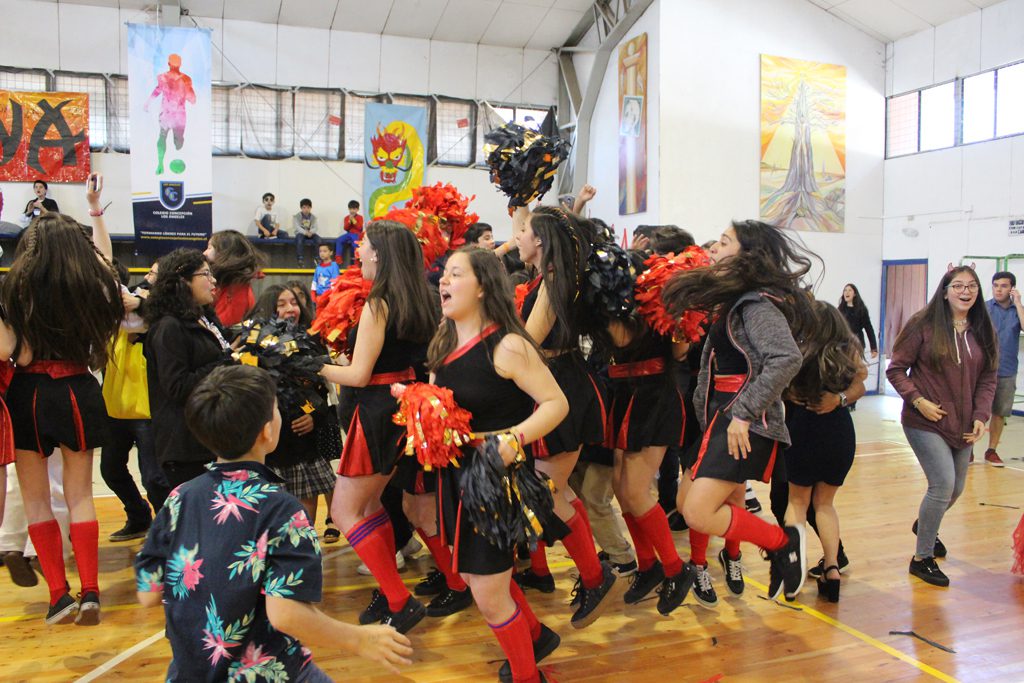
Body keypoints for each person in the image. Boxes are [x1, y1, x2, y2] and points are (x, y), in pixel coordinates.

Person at [134, 364, 413, 682]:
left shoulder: (179, 498)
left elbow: (148, 592)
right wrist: (358, 639)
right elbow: (286, 614)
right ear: (267, 431)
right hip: (269, 673)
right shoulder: (281, 510)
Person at [432, 247, 568, 683]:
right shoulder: (445, 340)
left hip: (495, 478)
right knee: (480, 579)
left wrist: (514, 438)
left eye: (456, 274)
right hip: (456, 474)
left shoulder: (507, 345)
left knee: (489, 594)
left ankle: (529, 675)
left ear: (483, 287)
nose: (443, 281)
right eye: (444, 274)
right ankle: (535, 637)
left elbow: (556, 403)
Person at [662, 220, 812, 602]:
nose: (713, 248)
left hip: (742, 423)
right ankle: (764, 547)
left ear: (747, 256)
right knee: (684, 503)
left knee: (698, 512)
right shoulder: (733, 302)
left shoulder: (756, 305)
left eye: (724, 242)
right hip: (719, 420)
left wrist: (744, 414)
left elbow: (786, 358)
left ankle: (782, 544)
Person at [2, 172, 124, 625]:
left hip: (29, 393)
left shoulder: (16, 290)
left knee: (36, 500)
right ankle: (91, 591)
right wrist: (94, 209)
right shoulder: (91, 287)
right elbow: (106, 264)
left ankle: (58, 596)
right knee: (80, 496)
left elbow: (9, 351)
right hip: (78, 388)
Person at [319, 220, 438, 634]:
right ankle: (391, 595)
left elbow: (358, 375)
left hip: (375, 411)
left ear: (380, 254)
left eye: (364, 245)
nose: (358, 251)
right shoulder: (419, 299)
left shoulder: (379, 304)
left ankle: (400, 601)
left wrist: (308, 365)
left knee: (344, 511)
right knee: (371, 507)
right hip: (402, 408)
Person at [513, 206, 623, 628]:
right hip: (558, 383)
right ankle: (593, 573)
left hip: (563, 387)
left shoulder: (555, 279)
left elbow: (528, 341)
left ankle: (597, 576)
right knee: (553, 492)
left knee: (547, 494)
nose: (518, 237)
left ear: (540, 240)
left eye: (524, 231)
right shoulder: (550, 276)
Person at [887, 266, 997, 587]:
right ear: (945, 291)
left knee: (956, 488)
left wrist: (981, 415)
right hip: (925, 420)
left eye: (972, 286)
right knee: (942, 484)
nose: (966, 291)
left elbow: (988, 377)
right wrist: (917, 400)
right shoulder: (922, 324)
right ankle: (922, 558)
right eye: (958, 285)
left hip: (964, 424)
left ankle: (926, 523)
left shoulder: (982, 328)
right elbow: (896, 369)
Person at [606, 248, 697, 615]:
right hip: (623, 395)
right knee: (621, 489)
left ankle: (675, 568)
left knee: (635, 490)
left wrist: (679, 317)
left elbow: (678, 353)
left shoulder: (653, 306)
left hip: (654, 398)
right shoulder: (610, 303)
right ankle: (648, 566)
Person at [782, 301, 866, 603]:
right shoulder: (847, 349)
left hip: (803, 429)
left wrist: (789, 394)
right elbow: (861, 382)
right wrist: (840, 398)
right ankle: (832, 569)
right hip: (839, 431)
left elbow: (780, 384)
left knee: (797, 502)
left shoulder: (797, 349)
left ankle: (792, 573)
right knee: (825, 505)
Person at [246, 285, 340, 522]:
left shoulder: (311, 342)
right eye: (281, 304)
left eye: (294, 302)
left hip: (303, 445)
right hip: (268, 447)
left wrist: (311, 415)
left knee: (304, 511)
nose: (290, 309)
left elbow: (320, 394)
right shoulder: (253, 345)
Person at [143, 249, 232, 490]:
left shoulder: (203, 317)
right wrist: (225, 364)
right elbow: (177, 386)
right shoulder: (168, 326)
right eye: (206, 274)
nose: (213, 280)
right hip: (185, 445)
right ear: (183, 281)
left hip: (209, 437)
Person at [985, 271, 1022, 466]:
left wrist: (1018, 303)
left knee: (999, 412)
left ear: (1012, 289)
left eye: (1004, 286)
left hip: (1007, 369)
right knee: (975, 411)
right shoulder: (984, 308)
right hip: (982, 370)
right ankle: (967, 450)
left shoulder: (1018, 310)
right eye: (995, 285)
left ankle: (991, 450)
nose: (998, 289)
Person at [144, 53, 196, 176]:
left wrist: (148, 103)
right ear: (180, 64)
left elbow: (157, 90)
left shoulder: (164, 78)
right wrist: (186, 92)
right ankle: (161, 163)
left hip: (168, 114)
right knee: (173, 141)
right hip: (176, 116)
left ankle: (162, 162)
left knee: (167, 139)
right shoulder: (185, 79)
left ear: (169, 64)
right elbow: (193, 99)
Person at [204, 230, 266, 328]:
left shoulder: (236, 288)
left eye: (209, 248)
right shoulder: (228, 283)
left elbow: (224, 325)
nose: (204, 253)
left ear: (224, 252)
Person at [838, 283, 878, 359]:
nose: (847, 292)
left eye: (850, 290)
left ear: (855, 294)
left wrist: (874, 348)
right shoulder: (840, 309)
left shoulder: (861, 310)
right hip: (843, 344)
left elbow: (869, 329)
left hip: (857, 343)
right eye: (845, 290)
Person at [293, 198, 321, 265]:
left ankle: (317, 257)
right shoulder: (297, 216)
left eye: (308, 207)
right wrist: (305, 232)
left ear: (311, 208)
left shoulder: (313, 217)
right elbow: (297, 227)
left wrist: (311, 232)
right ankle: (300, 258)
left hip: (310, 233)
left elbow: (315, 227)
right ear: (301, 208)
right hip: (301, 233)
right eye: (304, 207)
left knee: (318, 240)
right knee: (299, 240)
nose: (306, 209)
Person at [336, 200, 364, 266]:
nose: (352, 210)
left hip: (356, 234)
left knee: (355, 244)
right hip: (349, 234)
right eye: (351, 209)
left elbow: (360, 228)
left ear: (357, 209)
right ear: (348, 209)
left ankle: (356, 260)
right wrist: (349, 221)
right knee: (339, 240)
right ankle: (338, 257)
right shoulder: (346, 218)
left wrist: (353, 220)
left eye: (354, 209)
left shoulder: (360, 217)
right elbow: (346, 228)